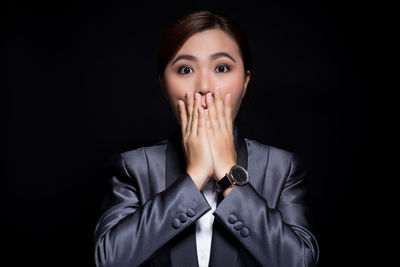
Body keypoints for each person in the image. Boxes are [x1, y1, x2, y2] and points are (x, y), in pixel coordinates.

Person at [93, 10, 319, 267]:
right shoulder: (134, 167)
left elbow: (299, 261)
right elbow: (109, 260)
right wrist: (195, 175)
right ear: (164, 85)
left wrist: (228, 173)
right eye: (185, 69)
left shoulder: (282, 168)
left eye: (222, 68)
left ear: (245, 81)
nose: (204, 86)